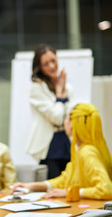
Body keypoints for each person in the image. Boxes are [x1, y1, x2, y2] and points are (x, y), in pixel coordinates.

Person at [12, 103, 112, 200]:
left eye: (66, 119)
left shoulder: (87, 152)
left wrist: (69, 192)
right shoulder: (80, 150)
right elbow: (64, 180)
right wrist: (31, 186)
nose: (64, 122)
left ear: (73, 124)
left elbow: (106, 190)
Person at [25, 44, 74, 179]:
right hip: (49, 146)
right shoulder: (36, 88)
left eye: (53, 61)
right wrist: (60, 94)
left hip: (67, 142)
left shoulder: (67, 87)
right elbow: (57, 117)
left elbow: (69, 116)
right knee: (54, 188)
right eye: (46, 64)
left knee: (71, 185)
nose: (52, 66)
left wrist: (62, 91)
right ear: (39, 67)